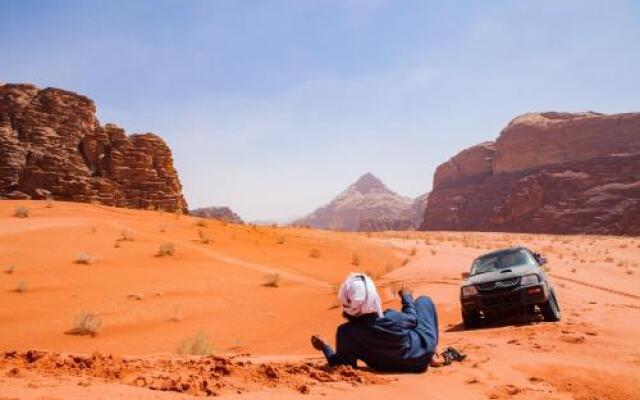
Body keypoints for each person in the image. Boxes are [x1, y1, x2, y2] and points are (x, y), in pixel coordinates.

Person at [310, 272, 445, 373]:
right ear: (373, 298)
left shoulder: (346, 333)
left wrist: (325, 347)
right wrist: (407, 297)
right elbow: (413, 319)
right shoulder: (391, 318)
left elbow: (344, 365)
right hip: (420, 359)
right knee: (423, 301)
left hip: (386, 366)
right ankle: (433, 354)